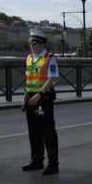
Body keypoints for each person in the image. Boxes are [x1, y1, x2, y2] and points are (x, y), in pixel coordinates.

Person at [21, 29, 59, 175]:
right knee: (34, 131)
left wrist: (40, 94)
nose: (31, 46)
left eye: (34, 43)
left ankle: (53, 163)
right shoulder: (29, 58)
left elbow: (52, 78)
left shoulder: (50, 58)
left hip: (44, 98)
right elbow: (28, 79)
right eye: (30, 43)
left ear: (42, 44)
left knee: (47, 131)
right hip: (30, 97)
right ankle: (37, 159)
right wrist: (24, 97)